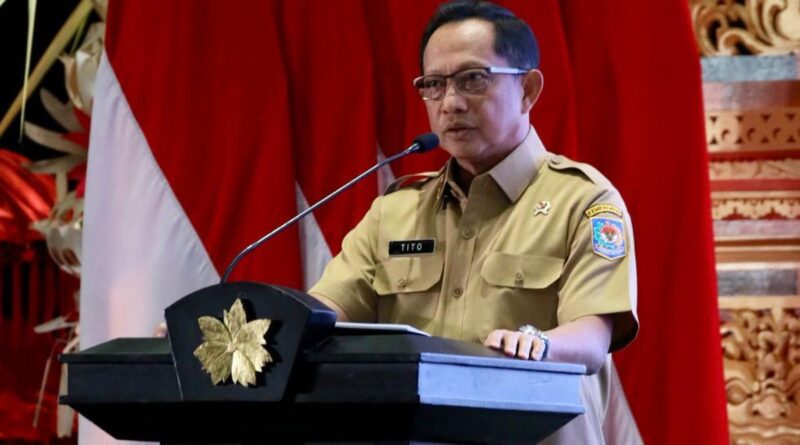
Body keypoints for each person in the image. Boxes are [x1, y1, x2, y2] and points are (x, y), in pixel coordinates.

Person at [309, 1, 638, 443]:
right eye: (434, 84)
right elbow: (326, 313)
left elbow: (592, 339)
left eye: (472, 79)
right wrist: (275, 330)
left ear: (528, 89)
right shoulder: (396, 211)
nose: (450, 103)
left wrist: (536, 344)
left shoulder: (583, 202)